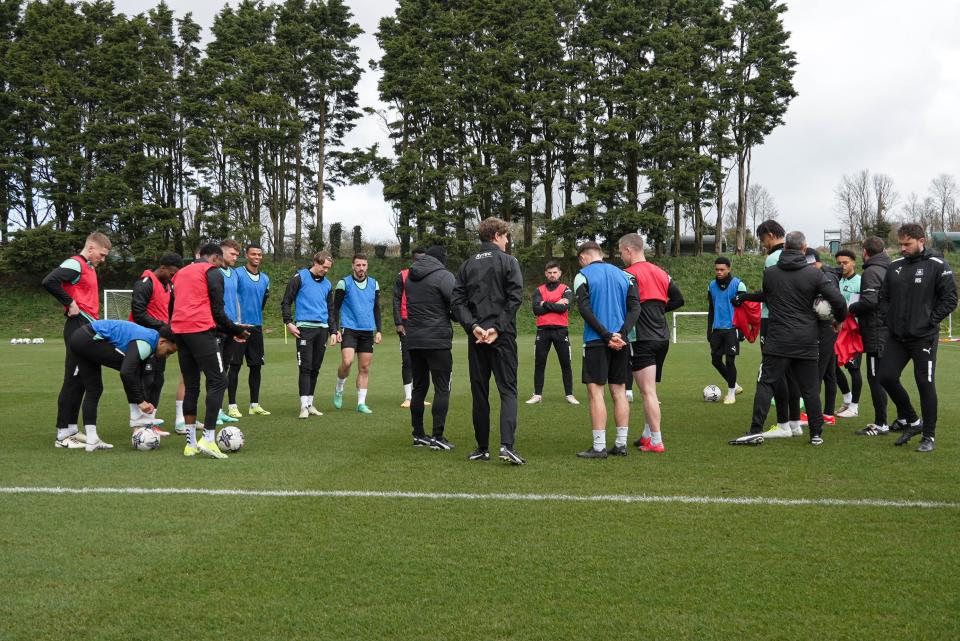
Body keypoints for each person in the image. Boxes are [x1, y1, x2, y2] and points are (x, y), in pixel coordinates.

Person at [730, 231, 846, 446]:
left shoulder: (771, 273)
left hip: (778, 340)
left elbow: (767, 295)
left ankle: (756, 430)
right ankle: (816, 434)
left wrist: (745, 297)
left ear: (784, 249)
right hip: (806, 340)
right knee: (810, 388)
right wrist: (838, 320)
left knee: (766, 383)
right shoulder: (814, 275)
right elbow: (838, 300)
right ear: (804, 249)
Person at [877, 223, 957, 452]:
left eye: (907, 244)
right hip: (897, 336)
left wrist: (930, 321)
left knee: (925, 383)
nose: (902, 248)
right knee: (886, 377)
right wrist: (887, 318)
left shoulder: (937, 265)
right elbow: (884, 297)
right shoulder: (894, 267)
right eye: (900, 244)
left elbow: (950, 299)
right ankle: (913, 421)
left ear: (921, 240)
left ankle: (929, 436)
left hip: (923, 337)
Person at [452, 217, 525, 464]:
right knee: (508, 390)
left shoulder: (466, 266)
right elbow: (515, 298)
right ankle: (507, 446)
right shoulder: (509, 262)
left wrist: (473, 327)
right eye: (505, 237)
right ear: (496, 236)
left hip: (478, 339)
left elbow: (457, 302)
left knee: (480, 393)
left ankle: (482, 448)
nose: (507, 241)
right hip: (501, 338)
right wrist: (496, 328)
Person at [170, 243, 250, 459]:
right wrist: (236, 330)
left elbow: (172, 306)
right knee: (218, 381)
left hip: (180, 331)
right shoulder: (212, 272)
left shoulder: (180, 274)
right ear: (215, 257)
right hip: (200, 331)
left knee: (191, 384)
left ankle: (190, 444)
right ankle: (208, 438)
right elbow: (218, 311)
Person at [42, 231, 112, 449]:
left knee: (83, 378)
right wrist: (69, 302)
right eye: (101, 254)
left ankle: (72, 429)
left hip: (88, 326)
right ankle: (62, 435)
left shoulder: (88, 267)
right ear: (90, 248)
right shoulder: (76, 263)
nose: (103, 258)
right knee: (72, 379)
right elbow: (49, 281)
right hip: (77, 326)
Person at [64, 320, 178, 451]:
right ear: (162, 342)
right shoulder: (147, 342)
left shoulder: (151, 339)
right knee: (131, 370)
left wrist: (141, 399)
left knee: (94, 389)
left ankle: (92, 440)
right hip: (88, 337)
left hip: (80, 338)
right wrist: (140, 401)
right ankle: (136, 417)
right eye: (169, 352)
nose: (167, 356)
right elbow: (126, 373)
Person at [573, 242, 641, 458]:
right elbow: (635, 307)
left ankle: (599, 446)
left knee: (596, 393)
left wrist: (605, 335)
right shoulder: (626, 275)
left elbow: (584, 309)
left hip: (596, 341)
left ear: (583, 257)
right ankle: (621, 445)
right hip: (622, 342)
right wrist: (621, 333)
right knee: (619, 392)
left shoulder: (582, 275)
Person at [619, 233, 683, 453]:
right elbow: (679, 299)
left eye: (621, 252)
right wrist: (657, 310)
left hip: (642, 338)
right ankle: (648, 434)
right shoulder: (661, 272)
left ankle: (656, 440)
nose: (621, 257)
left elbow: (624, 306)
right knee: (650, 390)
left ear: (629, 250)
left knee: (647, 392)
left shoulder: (627, 274)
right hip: (662, 338)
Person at [750, 220, 803, 439]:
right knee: (792, 374)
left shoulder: (772, 259)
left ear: (770, 235)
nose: (763, 244)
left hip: (772, 320)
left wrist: (746, 297)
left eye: (762, 239)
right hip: (796, 322)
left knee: (773, 373)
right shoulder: (802, 256)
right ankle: (795, 423)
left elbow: (770, 292)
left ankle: (782, 424)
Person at [405, 245, 457, 449]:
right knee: (442, 388)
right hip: (437, 340)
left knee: (419, 388)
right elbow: (456, 303)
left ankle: (418, 434)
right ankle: (437, 436)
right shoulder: (444, 276)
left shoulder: (410, 276)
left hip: (415, 340)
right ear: (442, 258)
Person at [129, 252, 183, 434]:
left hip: (161, 341)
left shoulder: (167, 286)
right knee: (146, 380)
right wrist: (162, 326)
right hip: (143, 340)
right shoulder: (145, 283)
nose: (173, 277)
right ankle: (139, 425)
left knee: (157, 380)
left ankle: (151, 423)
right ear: (163, 268)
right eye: (171, 273)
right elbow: (138, 313)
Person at [281, 251, 334, 419]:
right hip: (304, 329)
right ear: (316, 263)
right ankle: (303, 406)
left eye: (328, 268)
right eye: (324, 267)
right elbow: (286, 301)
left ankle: (310, 404)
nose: (326, 271)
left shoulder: (327, 285)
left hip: (322, 329)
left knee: (315, 368)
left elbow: (331, 310)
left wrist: (333, 330)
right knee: (305, 368)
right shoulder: (300, 277)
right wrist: (288, 322)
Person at [848, 236, 892, 436]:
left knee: (875, 378)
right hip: (888, 329)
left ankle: (881, 423)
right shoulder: (889, 268)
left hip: (876, 332)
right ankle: (903, 417)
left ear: (865, 251)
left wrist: (850, 308)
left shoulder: (872, 271)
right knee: (888, 377)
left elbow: (869, 302)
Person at [331, 253, 382, 414]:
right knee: (347, 362)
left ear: (367, 266)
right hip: (349, 328)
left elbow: (376, 308)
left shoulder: (374, 284)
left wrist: (379, 330)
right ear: (353, 265)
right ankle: (339, 388)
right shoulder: (343, 283)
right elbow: (335, 308)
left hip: (367, 330)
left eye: (364, 265)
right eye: (358, 265)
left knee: (365, 368)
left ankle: (361, 403)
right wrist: (335, 329)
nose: (361, 268)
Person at [228, 243, 271, 417]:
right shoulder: (237, 274)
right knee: (235, 366)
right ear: (247, 255)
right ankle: (232, 406)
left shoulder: (266, 278)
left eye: (259, 255)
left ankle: (254, 404)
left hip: (256, 327)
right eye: (253, 254)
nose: (257, 257)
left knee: (256, 366)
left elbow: (263, 301)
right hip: (238, 327)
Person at [526, 261, 578, 406]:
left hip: (561, 331)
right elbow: (537, 310)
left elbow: (563, 309)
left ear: (559, 273)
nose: (552, 275)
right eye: (549, 273)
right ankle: (537, 395)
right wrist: (556, 303)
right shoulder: (539, 290)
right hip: (542, 331)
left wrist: (544, 303)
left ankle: (569, 395)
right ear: (545, 274)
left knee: (566, 363)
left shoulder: (566, 289)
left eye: (555, 272)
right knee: (539, 363)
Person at [706, 256, 747, 404]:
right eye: (717, 269)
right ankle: (734, 385)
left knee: (730, 360)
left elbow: (745, 310)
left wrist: (742, 330)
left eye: (722, 269)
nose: (719, 272)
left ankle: (731, 394)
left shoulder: (739, 285)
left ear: (729, 269)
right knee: (715, 360)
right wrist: (709, 330)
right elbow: (711, 309)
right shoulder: (711, 286)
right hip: (717, 329)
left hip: (732, 329)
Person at [393, 248, 427, 408]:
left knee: (422, 360)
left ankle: (419, 396)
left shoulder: (429, 275)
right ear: (413, 260)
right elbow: (396, 299)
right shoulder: (403, 275)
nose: (420, 262)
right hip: (406, 322)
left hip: (423, 322)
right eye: (418, 259)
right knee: (408, 360)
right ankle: (408, 397)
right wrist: (398, 323)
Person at [833, 249, 863, 418]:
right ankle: (847, 398)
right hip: (837, 330)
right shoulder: (836, 280)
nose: (842, 266)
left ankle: (855, 406)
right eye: (839, 263)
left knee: (853, 368)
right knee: (832, 366)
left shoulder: (860, 282)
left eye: (845, 262)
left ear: (853, 262)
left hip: (853, 332)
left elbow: (855, 307)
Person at [216, 239, 243, 425]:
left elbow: (236, 300)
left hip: (232, 327)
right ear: (221, 252)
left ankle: (218, 409)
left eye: (236, 255)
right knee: (216, 371)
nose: (235, 258)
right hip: (217, 327)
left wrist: (239, 324)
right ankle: (213, 411)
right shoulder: (213, 272)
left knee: (224, 369)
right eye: (232, 254)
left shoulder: (234, 274)